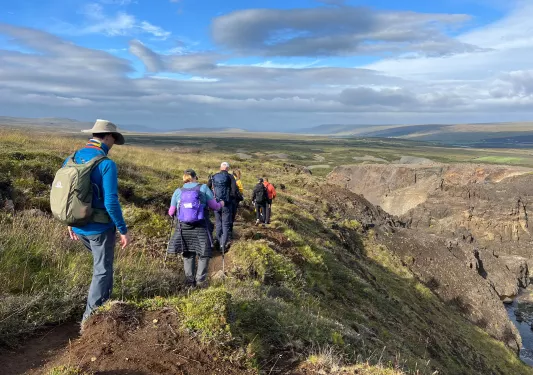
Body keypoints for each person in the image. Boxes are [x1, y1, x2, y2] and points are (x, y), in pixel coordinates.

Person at [64, 119, 131, 326]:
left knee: (103, 267)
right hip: (99, 227)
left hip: (77, 224)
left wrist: (69, 220)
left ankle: (103, 307)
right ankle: (90, 320)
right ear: (108, 137)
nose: (113, 144)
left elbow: (66, 193)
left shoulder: (72, 158)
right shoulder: (106, 164)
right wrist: (122, 229)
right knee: (102, 270)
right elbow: (111, 200)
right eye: (113, 139)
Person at [167, 169, 223, 287]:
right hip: (201, 227)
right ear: (194, 177)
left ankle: (189, 282)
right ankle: (200, 281)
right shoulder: (203, 188)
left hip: (183, 228)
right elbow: (214, 206)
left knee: (188, 253)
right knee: (204, 254)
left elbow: (171, 212)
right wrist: (221, 204)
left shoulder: (178, 191)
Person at [207, 162, 237, 252]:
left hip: (216, 204)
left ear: (220, 168)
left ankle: (217, 240)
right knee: (225, 224)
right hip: (227, 204)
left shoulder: (214, 176)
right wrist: (229, 200)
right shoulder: (231, 177)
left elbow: (207, 188)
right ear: (227, 168)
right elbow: (234, 190)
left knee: (218, 222)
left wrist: (212, 199)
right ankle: (223, 245)